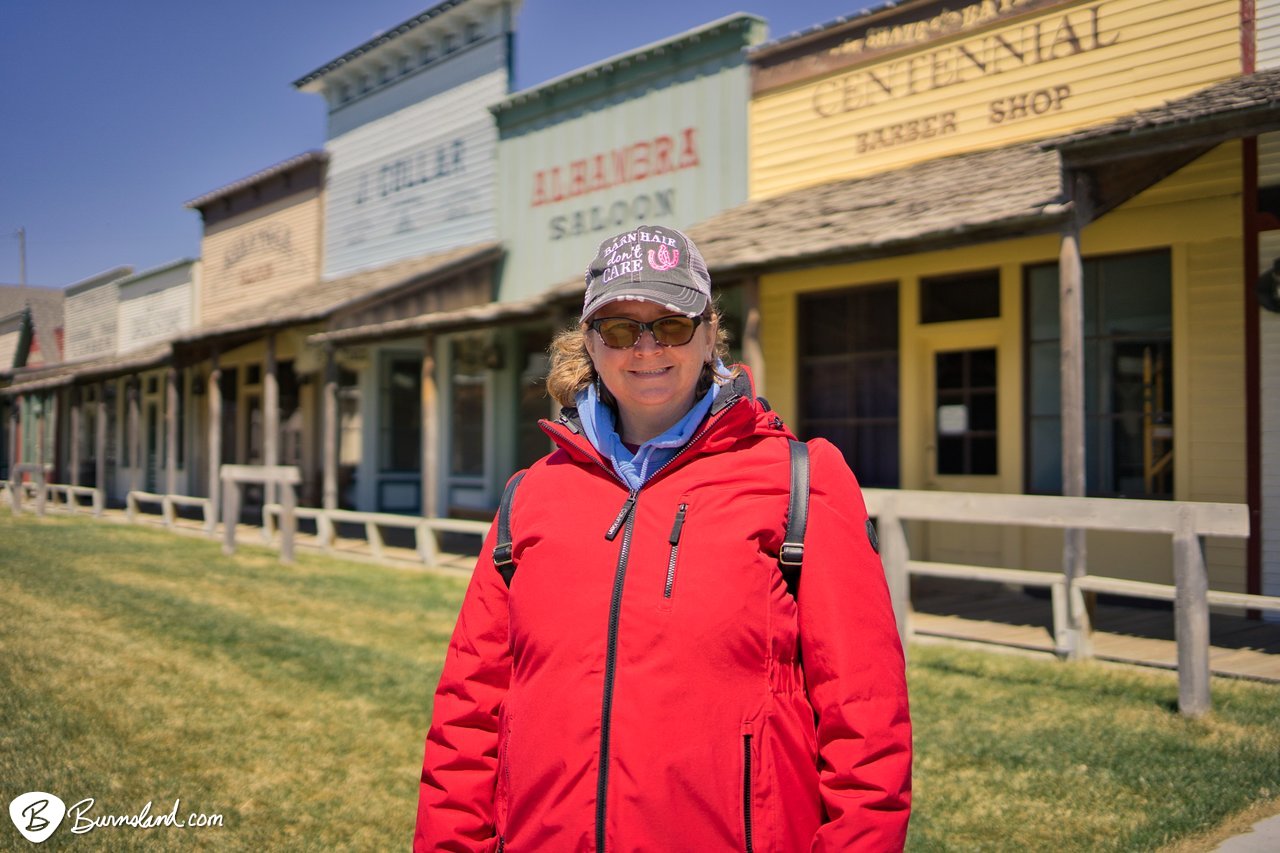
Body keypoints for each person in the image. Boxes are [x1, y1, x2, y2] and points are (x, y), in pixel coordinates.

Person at [414, 225, 911, 852]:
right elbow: (469, 710)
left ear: (709, 335)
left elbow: (866, 715)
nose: (646, 347)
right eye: (620, 329)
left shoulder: (800, 480)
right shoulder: (530, 495)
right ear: (591, 345)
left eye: (671, 324)